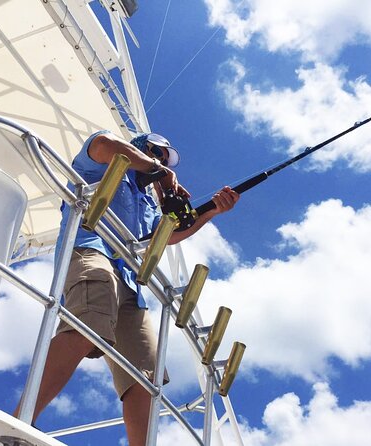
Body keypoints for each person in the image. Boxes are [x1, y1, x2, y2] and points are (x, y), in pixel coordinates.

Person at [15, 130, 239, 445]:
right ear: (139, 147)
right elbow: (106, 146)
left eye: (164, 157)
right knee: (87, 325)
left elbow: (163, 238)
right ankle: (21, 419)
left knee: (146, 373)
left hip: (131, 283)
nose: (160, 159)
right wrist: (158, 171)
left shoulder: (147, 202)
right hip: (90, 252)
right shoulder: (100, 159)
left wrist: (212, 210)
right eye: (155, 152)